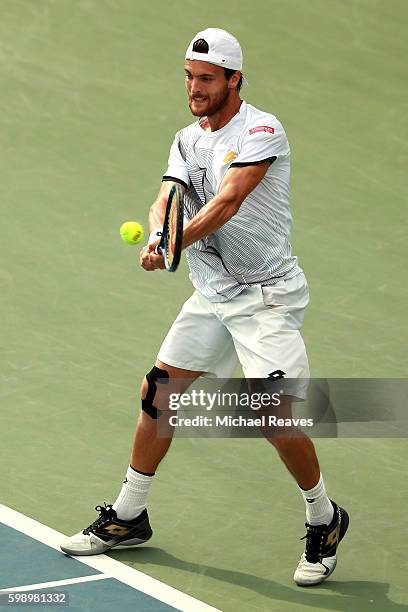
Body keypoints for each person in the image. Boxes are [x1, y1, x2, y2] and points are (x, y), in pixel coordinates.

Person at [61, 28, 349, 586]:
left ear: (235, 80)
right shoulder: (186, 140)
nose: (195, 88)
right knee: (158, 391)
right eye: (190, 77)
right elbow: (167, 196)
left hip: (267, 298)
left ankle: (324, 517)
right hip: (213, 293)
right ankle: (128, 515)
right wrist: (156, 232)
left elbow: (229, 201)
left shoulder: (263, 130)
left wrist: (174, 244)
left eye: (207, 79)